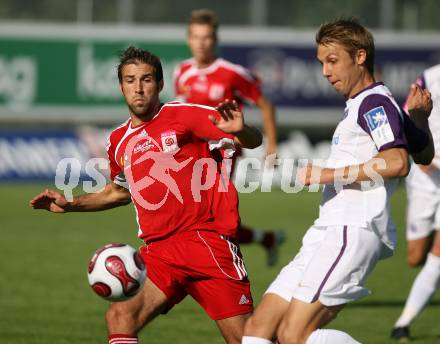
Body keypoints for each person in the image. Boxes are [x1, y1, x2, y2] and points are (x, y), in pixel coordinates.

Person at [30, 46, 263, 344]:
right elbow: (119, 192)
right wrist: (71, 203)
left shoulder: (184, 114)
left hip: (206, 243)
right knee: (120, 316)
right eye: (130, 80)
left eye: (146, 79)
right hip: (160, 252)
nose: (138, 88)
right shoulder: (118, 141)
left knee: (247, 340)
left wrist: (242, 132)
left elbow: (251, 139)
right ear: (121, 86)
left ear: (160, 84)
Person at [241, 18, 433, 344]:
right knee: (259, 328)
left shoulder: (374, 103)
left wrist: (326, 174)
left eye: (333, 61)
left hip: (353, 229)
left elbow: (397, 162)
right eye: (321, 64)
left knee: (293, 334)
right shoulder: (366, 104)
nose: (326, 72)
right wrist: (418, 119)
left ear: (360, 56)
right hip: (326, 231)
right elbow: (423, 155)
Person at [174, 9, 284, 266]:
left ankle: (218, 269)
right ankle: (266, 239)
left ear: (215, 40)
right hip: (194, 151)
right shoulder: (182, 72)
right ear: (189, 39)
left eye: (207, 37)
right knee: (203, 216)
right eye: (196, 37)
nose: (202, 43)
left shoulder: (231, 73)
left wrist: (272, 144)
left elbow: (266, 105)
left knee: (209, 215)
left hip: (225, 150)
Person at [391, 65, 440, 341]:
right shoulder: (430, 77)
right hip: (425, 176)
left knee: (437, 255)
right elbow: (406, 111)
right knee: (414, 258)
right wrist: (418, 147)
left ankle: (403, 323)